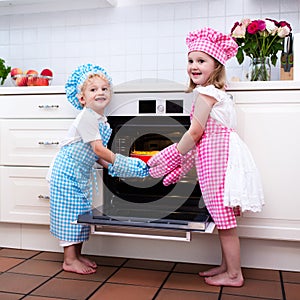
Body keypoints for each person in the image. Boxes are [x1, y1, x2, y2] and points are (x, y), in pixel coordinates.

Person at [148, 27, 264, 287]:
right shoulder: (218, 93)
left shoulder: (206, 94)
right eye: (190, 60)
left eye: (201, 61)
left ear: (216, 65)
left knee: (223, 218)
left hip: (217, 159)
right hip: (224, 156)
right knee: (223, 217)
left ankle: (234, 274)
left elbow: (196, 131)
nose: (193, 66)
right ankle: (226, 266)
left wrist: (173, 153)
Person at [49, 64, 148, 275]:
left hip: (78, 175)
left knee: (80, 213)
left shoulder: (101, 120)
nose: (100, 92)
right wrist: (124, 163)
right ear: (82, 99)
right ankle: (69, 260)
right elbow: (98, 149)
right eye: (93, 90)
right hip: (65, 174)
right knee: (70, 215)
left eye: (104, 88)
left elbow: (98, 155)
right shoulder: (86, 117)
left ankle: (76, 255)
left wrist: (114, 166)